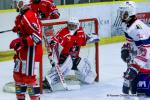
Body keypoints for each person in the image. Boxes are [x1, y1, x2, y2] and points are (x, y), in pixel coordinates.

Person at [42, 17, 99, 90]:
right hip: (64, 59)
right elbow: (54, 45)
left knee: (90, 78)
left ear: (77, 26)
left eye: (73, 25)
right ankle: (48, 81)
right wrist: (52, 59)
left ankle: (80, 76)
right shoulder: (63, 33)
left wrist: (94, 37)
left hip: (75, 59)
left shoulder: (80, 32)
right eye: (70, 25)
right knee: (65, 68)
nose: (71, 27)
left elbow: (86, 38)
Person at [10, 0, 42, 100]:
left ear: (23, 3)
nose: (16, 5)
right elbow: (25, 30)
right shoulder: (20, 16)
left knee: (29, 78)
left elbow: (37, 37)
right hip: (22, 51)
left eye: (18, 2)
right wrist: (18, 28)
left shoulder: (29, 15)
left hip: (31, 52)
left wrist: (21, 42)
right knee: (18, 76)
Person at [119, 1, 150, 96]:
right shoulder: (126, 25)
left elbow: (146, 50)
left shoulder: (137, 28)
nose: (121, 15)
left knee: (144, 92)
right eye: (120, 13)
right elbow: (132, 43)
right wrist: (126, 49)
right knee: (134, 90)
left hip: (147, 62)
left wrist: (134, 68)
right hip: (141, 61)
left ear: (131, 13)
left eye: (124, 13)